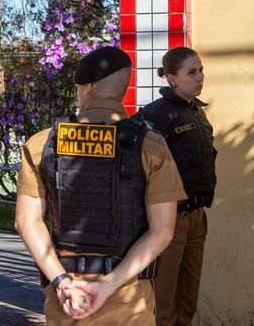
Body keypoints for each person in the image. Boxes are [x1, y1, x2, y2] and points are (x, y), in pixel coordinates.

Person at [15, 46, 186, 324]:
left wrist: (62, 283)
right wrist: (107, 287)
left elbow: (26, 222)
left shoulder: (41, 144)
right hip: (128, 299)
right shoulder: (151, 146)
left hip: (67, 300)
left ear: (87, 87)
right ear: (123, 90)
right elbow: (162, 232)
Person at [143, 46, 217, 326]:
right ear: (172, 78)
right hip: (169, 220)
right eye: (191, 72)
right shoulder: (156, 114)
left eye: (201, 71)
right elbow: (142, 167)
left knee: (187, 305)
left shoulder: (197, 112)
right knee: (163, 307)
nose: (199, 77)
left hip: (197, 216)